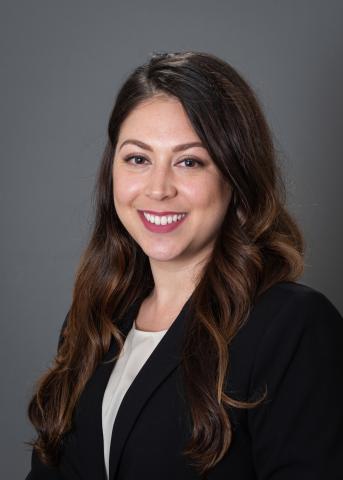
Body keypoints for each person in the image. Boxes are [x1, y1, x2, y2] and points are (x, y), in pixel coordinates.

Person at [25, 51, 343, 480]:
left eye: (189, 161)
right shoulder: (93, 322)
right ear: (112, 170)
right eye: (138, 158)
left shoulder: (294, 327)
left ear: (235, 175)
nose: (158, 189)